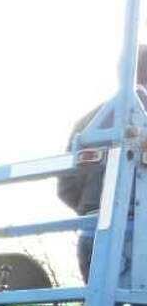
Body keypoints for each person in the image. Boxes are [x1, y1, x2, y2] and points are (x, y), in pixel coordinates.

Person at [58, 43, 147, 281]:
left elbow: (65, 188)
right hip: (141, 233)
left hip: (93, 233)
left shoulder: (87, 122)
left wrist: (95, 210)